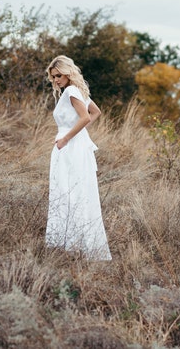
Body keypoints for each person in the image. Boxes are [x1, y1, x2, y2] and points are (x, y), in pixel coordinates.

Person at [45, 55, 111, 261]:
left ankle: (70, 245)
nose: (56, 80)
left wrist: (66, 138)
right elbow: (95, 112)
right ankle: (75, 244)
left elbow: (85, 117)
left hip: (69, 147)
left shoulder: (72, 91)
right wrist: (78, 133)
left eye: (58, 76)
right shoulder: (78, 92)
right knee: (74, 192)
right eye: (53, 77)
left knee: (67, 193)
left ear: (68, 73)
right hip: (75, 145)